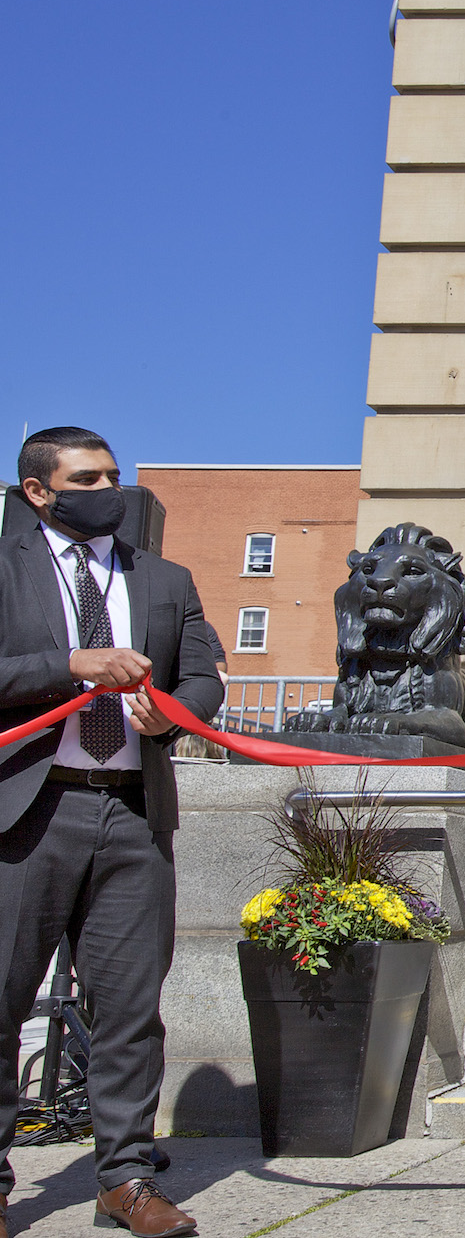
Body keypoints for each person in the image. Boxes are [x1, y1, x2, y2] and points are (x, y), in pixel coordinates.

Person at [0, 427, 222, 1238]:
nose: (109, 490)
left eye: (114, 475)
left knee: (131, 1007)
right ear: (38, 490)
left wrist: (171, 712)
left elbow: (203, 674)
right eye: (87, 477)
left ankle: (125, 1178)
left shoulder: (164, 578)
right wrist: (73, 664)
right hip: (27, 811)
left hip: (133, 811)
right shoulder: (5, 567)